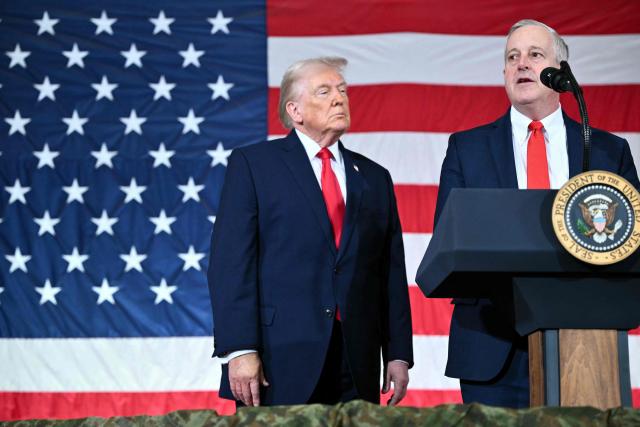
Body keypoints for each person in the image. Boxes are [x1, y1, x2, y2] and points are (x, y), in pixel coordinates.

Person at [432, 19, 640, 408]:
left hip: (586, 344)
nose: (521, 64)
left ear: (560, 73)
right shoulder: (467, 148)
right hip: (491, 345)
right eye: (512, 57)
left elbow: (631, 242)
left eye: (534, 55)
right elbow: (448, 236)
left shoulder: (608, 151)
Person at [207, 57, 413, 407]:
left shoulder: (375, 177)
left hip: (356, 360)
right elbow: (231, 264)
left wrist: (398, 352)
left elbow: (389, 271)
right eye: (325, 91)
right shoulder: (254, 165)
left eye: (342, 90)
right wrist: (239, 349)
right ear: (295, 110)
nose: (339, 98)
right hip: (278, 359)